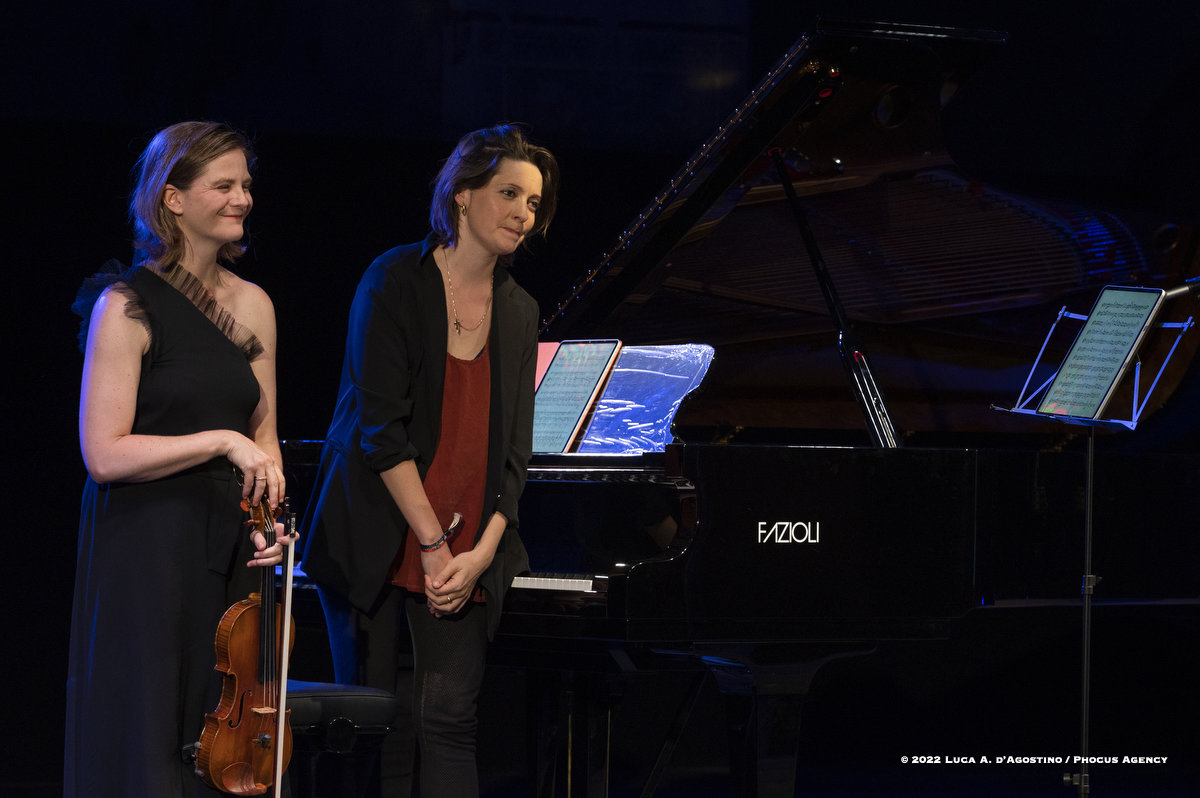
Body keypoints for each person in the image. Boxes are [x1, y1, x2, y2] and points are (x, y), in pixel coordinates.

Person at [300, 123, 558, 797]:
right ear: (463, 194)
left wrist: (479, 553)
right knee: (369, 724)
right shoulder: (393, 280)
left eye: (533, 203)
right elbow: (381, 434)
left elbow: (514, 457)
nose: (524, 214)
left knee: (449, 719)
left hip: (469, 548)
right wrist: (434, 545)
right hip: (377, 532)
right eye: (509, 194)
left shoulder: (519, 309)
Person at [64, 121, 293, 798]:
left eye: (245, 184)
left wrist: (273, 520)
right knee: (150, 729)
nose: (242, 198)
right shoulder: (125, 305)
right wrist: (221, 442)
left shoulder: (255, 304)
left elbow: (265, 437)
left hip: (230, 545)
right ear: (173, 198)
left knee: (222, 735)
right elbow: (104, 452)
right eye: (223, 185)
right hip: (147, 548)